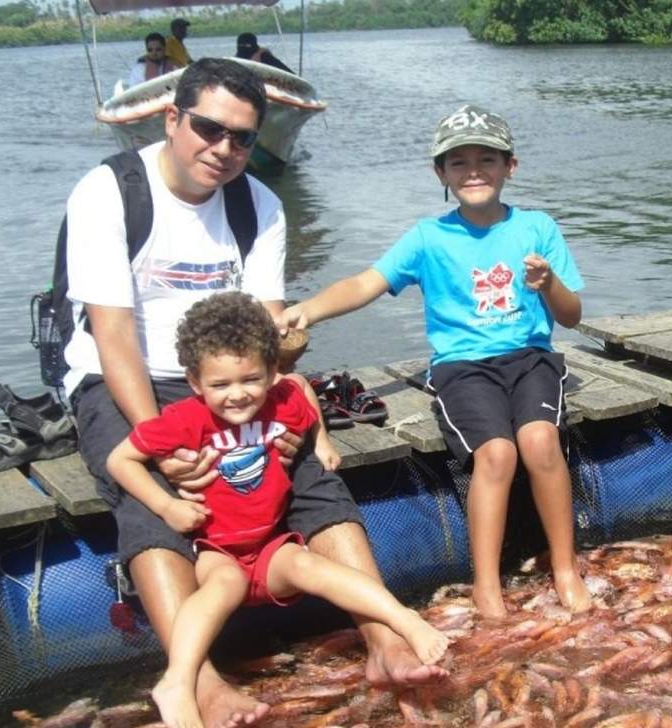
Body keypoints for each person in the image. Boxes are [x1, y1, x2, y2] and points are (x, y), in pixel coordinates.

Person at [64, 58, 446, 728]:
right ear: (172, 118)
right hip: (128, 375)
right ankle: (199, 682)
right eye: (209, 129)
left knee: (310, 472)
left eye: (242, 138)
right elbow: (112, 335)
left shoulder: (258, 204)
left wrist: (287, 392)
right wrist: (165, 445)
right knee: (150, 499)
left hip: (234, 373)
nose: (224, 149)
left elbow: (268, 334)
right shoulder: (110, 192)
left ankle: (383, 637)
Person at [281, 105, 593, 619]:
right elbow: (366, 282)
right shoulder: (428, 238)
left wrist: (549, 284)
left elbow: (572, 316)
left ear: (510, 166)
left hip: (530, 359)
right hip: (463, 367)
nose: (474, 171)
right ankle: (486, 585)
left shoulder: (537, 228)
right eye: (458, 162)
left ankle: (564, 567)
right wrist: (308, 310)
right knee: (496, 453)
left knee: (539, 440)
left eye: (486, 159)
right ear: (440, 173)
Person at [106, 292, 449, 728]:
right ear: (194, 382)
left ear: (271, 372)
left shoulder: (282, 399)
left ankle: (402, 619)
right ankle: (178, 679)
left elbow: (302, 391)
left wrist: (321, 441)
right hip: (217, 550)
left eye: (251, 379)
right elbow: (120, 460)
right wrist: (167, 505)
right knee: (224, 585)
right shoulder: (182, 420)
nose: (237, 395)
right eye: (220, 385)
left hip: (269, 547)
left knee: (310, 566)